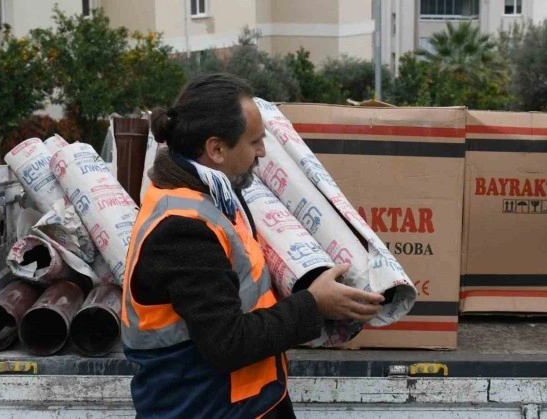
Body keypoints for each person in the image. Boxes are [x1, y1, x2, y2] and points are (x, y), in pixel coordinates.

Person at [121, 73, 384, 418]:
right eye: (254, 141)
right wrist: (314, 304)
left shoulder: (212, 194)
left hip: (249, 402)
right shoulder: (183, 228)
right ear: (216, 149)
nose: (262, 151)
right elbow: (227, 343)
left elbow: (243, 289)